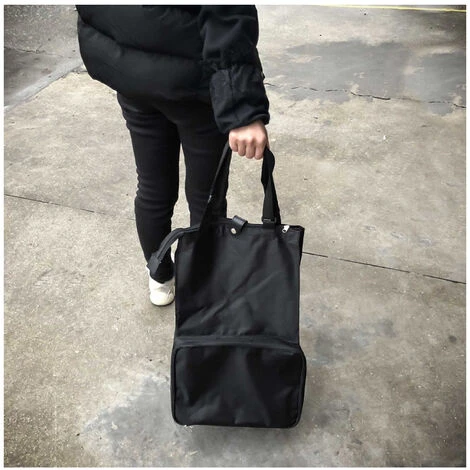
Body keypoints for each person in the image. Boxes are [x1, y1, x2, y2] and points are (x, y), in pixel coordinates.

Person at [76, 5, 270, 306]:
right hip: (194, 81)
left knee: (153, 187)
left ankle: (160, 277)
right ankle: (201, 284)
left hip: (131, 74)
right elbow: (227, 15)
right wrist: (242, 108)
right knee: (206, 197)